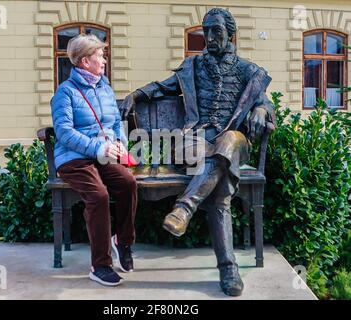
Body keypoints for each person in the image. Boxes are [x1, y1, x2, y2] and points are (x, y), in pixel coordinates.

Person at [120, 8, 275, 296]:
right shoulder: (192, 67)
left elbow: (265, 101)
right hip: (195, 138)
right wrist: (136, 95)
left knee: (228, 142)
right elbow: (162, 87)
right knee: (219, 186)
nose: (210, 37)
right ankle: (228, 270)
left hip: (233, 138)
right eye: (206, 30)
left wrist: (262, 110)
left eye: (216, 30)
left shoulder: (246, 70)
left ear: (231, 34)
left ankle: (184, 208)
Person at [50, 34, 137, 287]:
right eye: (100, 55)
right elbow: (65, 133)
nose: (104, 60)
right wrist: (99, 147)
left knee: (128, 184)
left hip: (103, 155)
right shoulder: (65, 92)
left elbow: (113, 123)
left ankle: (122, 241)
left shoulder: (105, 88)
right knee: (98, 196)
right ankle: (100, 265)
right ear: (85, 61)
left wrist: (120, 143)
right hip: (74, 159)